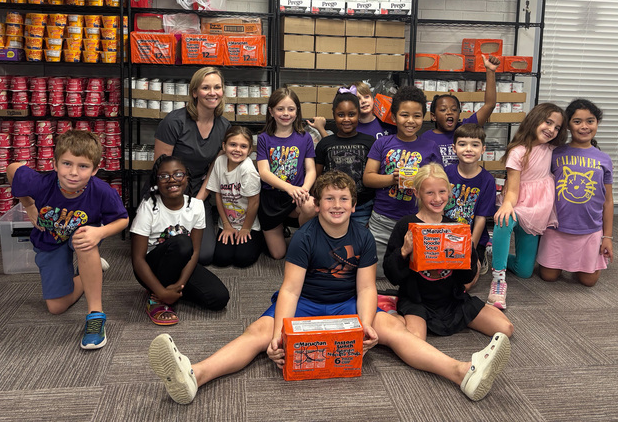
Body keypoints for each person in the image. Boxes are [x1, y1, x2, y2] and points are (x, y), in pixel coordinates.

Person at [148, 171, 511, 405]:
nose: (336, 205)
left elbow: (368, 288)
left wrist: (366, 325)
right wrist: (282, 335)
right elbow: (290, 291)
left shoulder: (363, 236)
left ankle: (463, 372)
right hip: (305, 302)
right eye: (329, 199)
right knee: (259, 332)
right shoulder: (304, 237)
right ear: (317, 204)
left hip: (347, 303)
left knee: (389, 328)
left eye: (344, 200)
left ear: (354, 206)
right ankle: (193, 374)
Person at [7, 130, 128, 350]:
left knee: (84, 239)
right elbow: (13, 169)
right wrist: (28, 205)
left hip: (82, 237)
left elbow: (122, 220)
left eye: (83, 166)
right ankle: (91, 271)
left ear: (95, 170)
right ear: (54, 164)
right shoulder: (42, 183)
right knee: (56, 307)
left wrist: (99, 233)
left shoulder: (102, 191)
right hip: (49, 240)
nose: (73, 173)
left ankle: (95, 315)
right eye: (67, 164)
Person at [383, 164, 513, 339]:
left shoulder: (456, 227)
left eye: (442, 192)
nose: (437, 198)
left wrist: (467, 253)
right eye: (429, 192)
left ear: (450, 191)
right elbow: (392, 276)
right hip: (417, 301)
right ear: (417, 193)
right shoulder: (405, 225)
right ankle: (398, 318)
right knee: (415, 339)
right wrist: (404, 251)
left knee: (506, 329)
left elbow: (467, 278)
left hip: (452, 299)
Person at [131, 155, 229, 325]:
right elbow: (138, 259)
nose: (171, 180)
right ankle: (157, 299)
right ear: (156, 181)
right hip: (151, 267)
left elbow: (196, 252)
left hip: (181, 263)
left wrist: (180, 285)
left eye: (178, 174)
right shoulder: (148, 206)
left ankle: (171, 292)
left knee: (219, 298)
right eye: (164, 176)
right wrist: (160, 292)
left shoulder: (196, 206)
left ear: (187, 178)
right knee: (182, 242)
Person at [488, 103, 568, 310]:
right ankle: (498, 279)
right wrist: (506, 205)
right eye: (547, 122)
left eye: (557, 127)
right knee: (504, 221)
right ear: (534, 120)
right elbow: (513, 189)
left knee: (525, 271)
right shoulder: (518, 151)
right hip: (518, 202)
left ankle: (493, 251)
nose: (551, 129)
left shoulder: (553, 150)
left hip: (539, 208)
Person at [154, 66, 230, 266]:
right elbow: (159, 168)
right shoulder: (174, 121)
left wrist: (198, 200)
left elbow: (214, 167)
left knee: (204, 256)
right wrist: (175, 204)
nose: (212, 93)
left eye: (217, 87)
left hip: (198, 190)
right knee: (169, 249)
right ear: (194, 92)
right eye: (206, 88)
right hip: (169, 189)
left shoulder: (224, 126)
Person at [537, 99, 614, 287]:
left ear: (597, 123)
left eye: (590, 121)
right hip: (557, 227)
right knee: (548, 276)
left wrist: (608, 237)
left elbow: (608, 201)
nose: (584, 127)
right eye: (577, 121)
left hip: (589, 229)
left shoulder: (604, 159)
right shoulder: (555, 153)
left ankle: (582, 259)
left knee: (588, 281)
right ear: (568, 125)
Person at [363, 85, 441, 269]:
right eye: (404, 115)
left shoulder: (430, 146)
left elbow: (439, 184)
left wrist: (423, 180)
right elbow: (368, 178)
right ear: (394, 116)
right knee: (378, 272)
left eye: (417, 116)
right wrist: (392, 179)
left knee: (417, 270)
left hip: (418, 221)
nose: (410, 121)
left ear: (424, 117)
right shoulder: (382, 144)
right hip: (383, 220)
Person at [256, 87, 316, 259]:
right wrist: (289, 187)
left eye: (291, 109)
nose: (285, 113)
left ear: (297, 111)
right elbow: (264, 172)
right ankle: (277, 229)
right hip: (271, 199)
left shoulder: (304, 137)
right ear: (271, 111)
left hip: (295, 197)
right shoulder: (264, 138)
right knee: (278, 254)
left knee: (311, 205)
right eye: (280, 109)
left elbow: (311, 169)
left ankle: (301, 239)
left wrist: (303, 189)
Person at [424, 55, 501, 169]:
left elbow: (489, 105)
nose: (449, 112)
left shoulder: (465, 128)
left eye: (454, 109)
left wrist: (490, 71)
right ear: (433, 116)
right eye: (443, 110)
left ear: (459, 114)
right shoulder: (426, 137)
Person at [313, 89, 376, 226]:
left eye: (351, 114)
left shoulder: (369, 142)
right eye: (341, 115)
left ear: (358, 114)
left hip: (362, 207)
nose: (346, 119)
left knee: (358, 243)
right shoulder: (325, 144)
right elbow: (316, 177)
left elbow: (374, 175)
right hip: (331, 207)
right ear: (334, 115)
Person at [444, 124, 498, 282]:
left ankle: (483, 253)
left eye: (475, 145)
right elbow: (438, 209)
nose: (468, 149)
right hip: (447, 234)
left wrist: (470, 249)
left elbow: (481, 218)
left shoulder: (487, 180)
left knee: (467, 279)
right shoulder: (446, 173)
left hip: (473, 238)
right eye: (462, 144)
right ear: (454, 148)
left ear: (483, 149)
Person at [207, 126, 264, 268]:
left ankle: (261, 240)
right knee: (221, 259)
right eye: (233, 144)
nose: (237, 149)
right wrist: (226, 225)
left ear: (249, 150)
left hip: (248, 223)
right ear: (224, 146)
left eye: (243, 146)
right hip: (228, 222)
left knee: (242, 259)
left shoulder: (248, 169)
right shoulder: (219, 162)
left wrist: (245, 229)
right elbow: (218, 195)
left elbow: (254, 202)